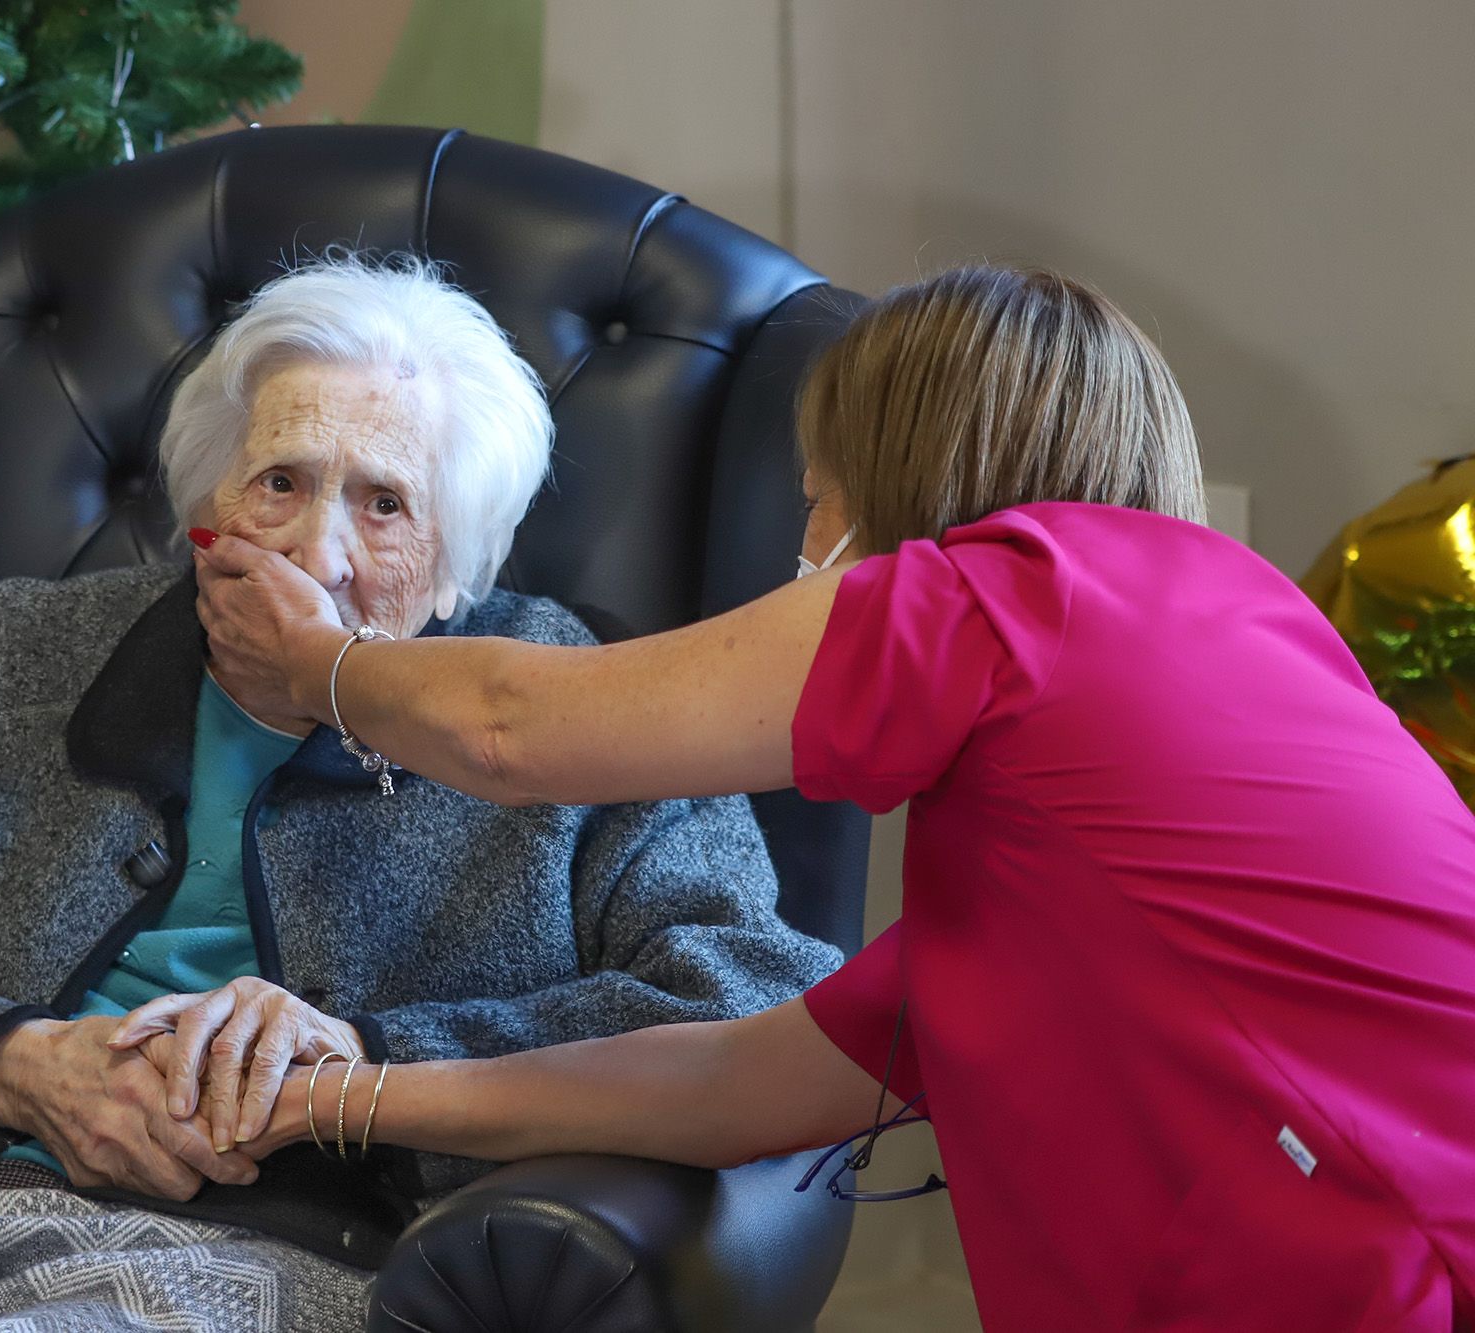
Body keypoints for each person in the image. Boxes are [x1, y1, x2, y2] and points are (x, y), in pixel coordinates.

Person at [193, 265, 1475, 1330]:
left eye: (814, 505)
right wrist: (343, 1088)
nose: (799, 557)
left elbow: (509, 728)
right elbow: (726, 1085)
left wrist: (319, 665)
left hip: (1385, 1253)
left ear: (892, 484)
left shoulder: (1003, 596)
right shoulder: (1196, 662)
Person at [0, 256, 841, 1333]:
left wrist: (366, 1066)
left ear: (458, 564)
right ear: (203, 511)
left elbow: (756, 996)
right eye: (279, 482)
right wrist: (15, 1065)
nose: (314, 556)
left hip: (261, 1255)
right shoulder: (24, 655)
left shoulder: (569, 705)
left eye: (383, 505)